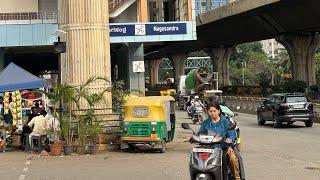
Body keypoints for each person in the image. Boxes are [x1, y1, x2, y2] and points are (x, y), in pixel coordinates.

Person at [198, 103, 241, 180]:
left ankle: (236, 178)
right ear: (208, 112)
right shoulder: (206, 123)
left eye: (214, 111)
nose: (212, 113)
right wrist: (194, 138)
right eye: (210, 111)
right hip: (209, 149)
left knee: (233, 159)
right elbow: (200, 133)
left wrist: (230, 140)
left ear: (218, 111)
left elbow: (232, 134)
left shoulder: (225, 121)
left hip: (223, 148)